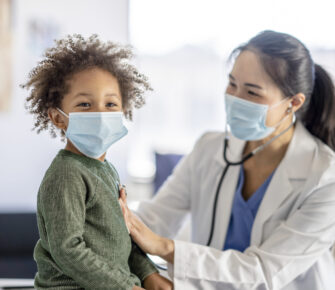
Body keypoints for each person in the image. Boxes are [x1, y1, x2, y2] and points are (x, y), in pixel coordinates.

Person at [118, 30, 335, 289]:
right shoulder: (209, 148)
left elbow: (264, 271)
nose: (235, 99)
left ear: (294, 103)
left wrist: (165, 247)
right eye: (232, 84)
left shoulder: (325, 177)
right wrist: (109, 221)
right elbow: (154, 218)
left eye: (253, 93)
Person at [22, 34, 172, 290]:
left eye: (110, 103)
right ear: (58, 118)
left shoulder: (107, 170)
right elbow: (68, 250)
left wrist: (148, 273)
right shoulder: (66, 174)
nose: (101, 113)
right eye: (84, 104)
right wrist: (126, 287)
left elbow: (123, 235)